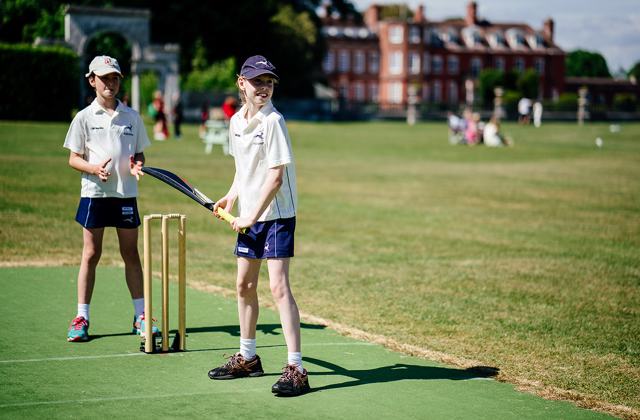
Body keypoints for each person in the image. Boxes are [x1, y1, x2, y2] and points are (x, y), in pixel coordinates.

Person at [208, 55, 310, 397]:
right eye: (257, 82)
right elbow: (244, 168)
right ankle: (248, 358)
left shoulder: (273, 122)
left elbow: (276, 176)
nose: (263, 88)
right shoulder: (237, 121)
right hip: (249, 214)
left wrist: (252, 216)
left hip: (276, 216)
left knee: (278, 287)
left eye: (268, 82)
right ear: (242, 83)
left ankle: (296, 368)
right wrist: (231, 196)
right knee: (243, 285)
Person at [63, 55, 156, 342]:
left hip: (126, 195)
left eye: (115, 78)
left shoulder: (132, 116)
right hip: (95, 194)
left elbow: (139, 153)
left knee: (131, 254)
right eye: (104, 78)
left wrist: (137, 164)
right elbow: (73, 159)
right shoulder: (83, 117)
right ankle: (82, 317)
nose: (110, 83)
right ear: (92, 80)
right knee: (91, 254)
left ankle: (140, 315)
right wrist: (93, 169)